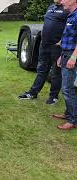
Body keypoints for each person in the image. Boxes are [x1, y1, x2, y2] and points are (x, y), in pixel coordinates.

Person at [18, 0, 69, 104]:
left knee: (56, 72)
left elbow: (71, 26)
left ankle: (53, 97)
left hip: (57, 46)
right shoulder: (51, 7)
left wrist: (63, 39)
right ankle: (33, 93)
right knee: (41, 70)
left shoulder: (67, 8)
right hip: (44, 44)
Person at [53, 0, 77, 130]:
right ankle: (68, 114)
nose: (61, 2)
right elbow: (69, 38)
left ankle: (73, 120)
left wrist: (73, 58)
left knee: (68, 89)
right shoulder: (71, 15)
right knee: (67, 88)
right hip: (66, 53)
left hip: (72, 55)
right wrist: (62, 56)